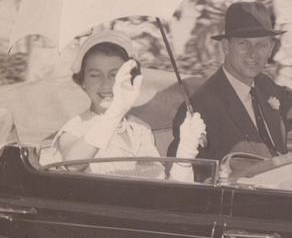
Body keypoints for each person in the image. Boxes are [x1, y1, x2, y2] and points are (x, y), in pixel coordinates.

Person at [167, 2, 292, 181]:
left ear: (270, 49)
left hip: (284, 186)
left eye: (261, 45)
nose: (253, 54)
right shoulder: (198, 109)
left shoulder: (264, 85)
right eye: (244, 44)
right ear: (226, 47)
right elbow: (178, 178)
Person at [54, 30, 204, 182]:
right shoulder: (74, 129)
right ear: (83, 81)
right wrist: (115, 112)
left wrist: (184, 157)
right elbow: (72, 165)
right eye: (95, 75)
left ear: (129, 78)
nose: (106, 83)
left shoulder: (140, 129)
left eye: (114, 75)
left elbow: (165, 193)